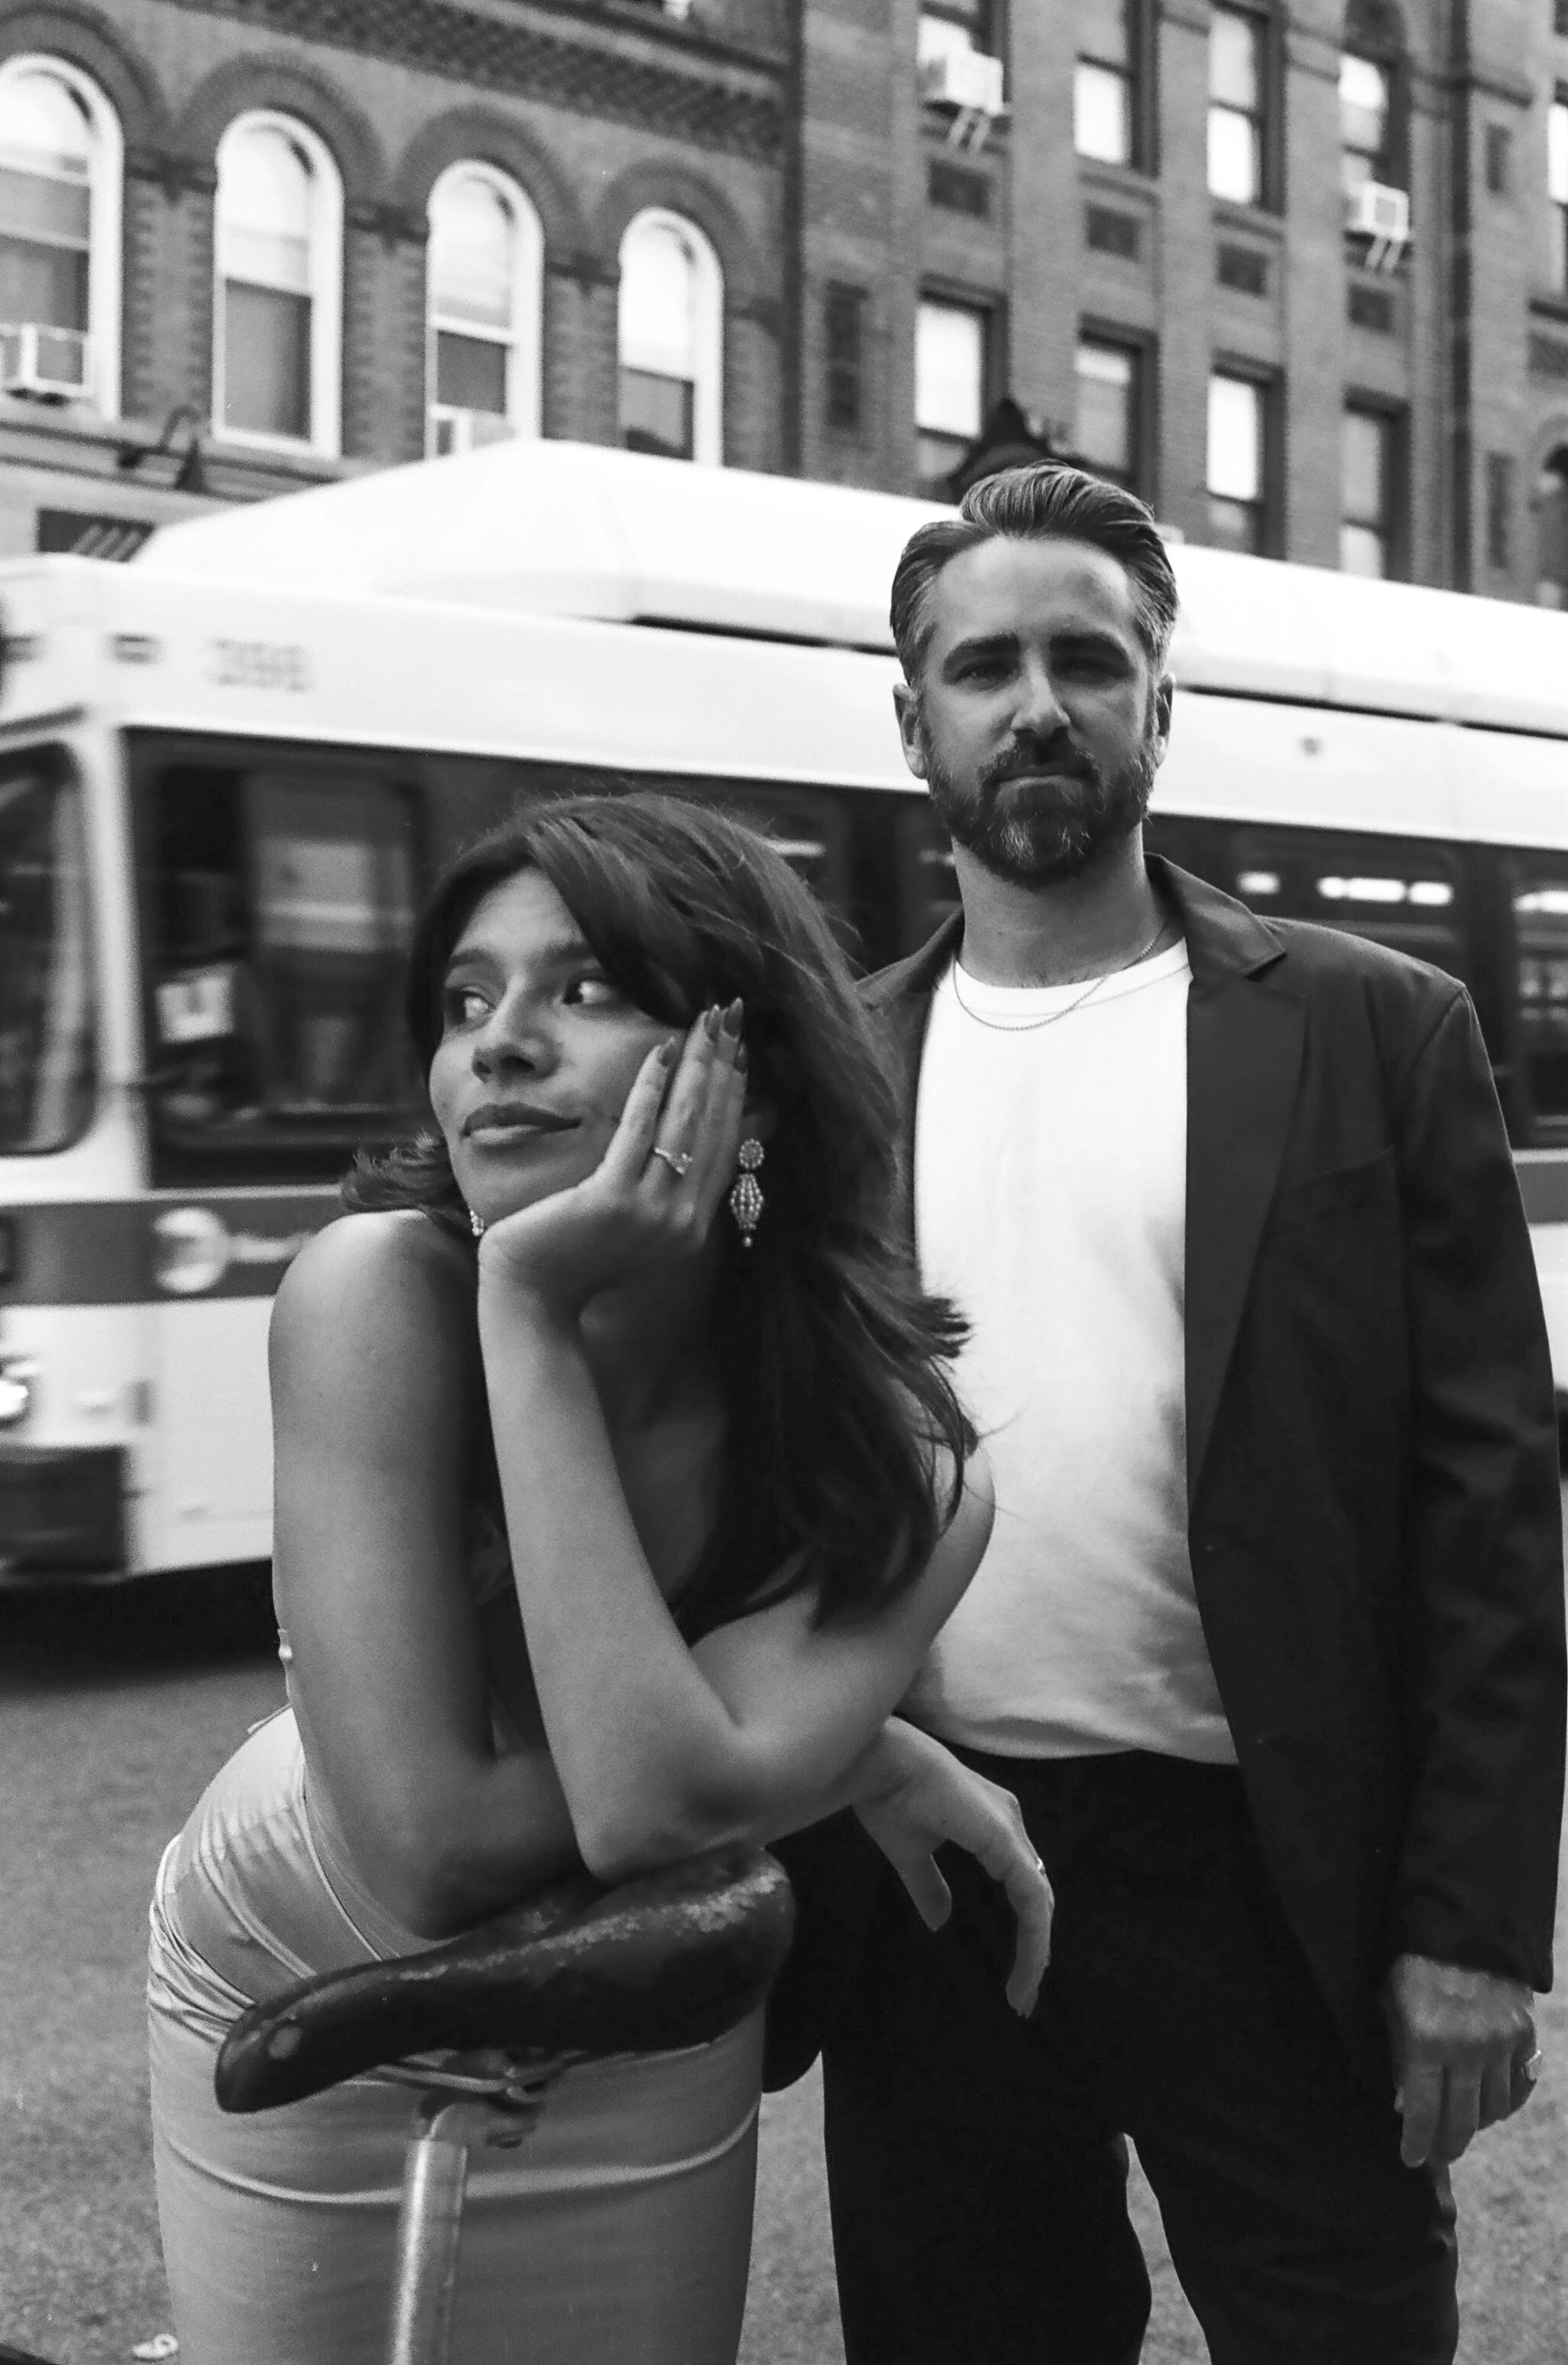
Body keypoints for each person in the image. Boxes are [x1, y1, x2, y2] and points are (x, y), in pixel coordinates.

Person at [810, 462, 1567, 2365]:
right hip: (935, 1866)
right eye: (983, 665)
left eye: (1089, 656)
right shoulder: (831, 1065)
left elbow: (1490, 1498)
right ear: (914, 721)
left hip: (1269, 1869)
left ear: (1163, 699)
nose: (1036, 701)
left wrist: (1472, 1923)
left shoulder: (1370, 1027)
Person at [145, 789, 1055, 2365]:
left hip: (639, 1990)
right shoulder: (377, 1293)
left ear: (750, 1077)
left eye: (579, 988)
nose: (497, 1045)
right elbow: (432, 1844)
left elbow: (649, 1811)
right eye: (463, 1001)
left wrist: (770, 1758)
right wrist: (820, 1750)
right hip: (300, 1950)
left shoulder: (908, 1455)